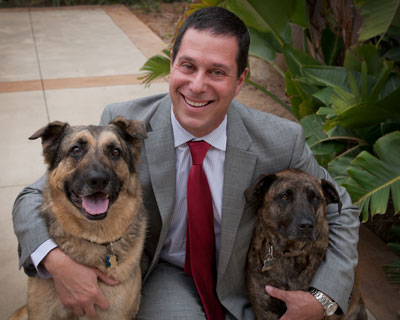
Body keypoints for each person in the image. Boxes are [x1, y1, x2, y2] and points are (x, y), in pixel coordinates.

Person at [12, 7, 360, 320]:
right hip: (166, 275)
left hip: (250, 278)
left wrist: (323, 297)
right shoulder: (128, 128)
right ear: (171, 66)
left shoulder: (281, 140)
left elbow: (341, 210)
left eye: (217, 72)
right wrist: (54, 261)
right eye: (188, 66)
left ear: (240, 81)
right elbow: (32, 196)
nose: (196, 86)